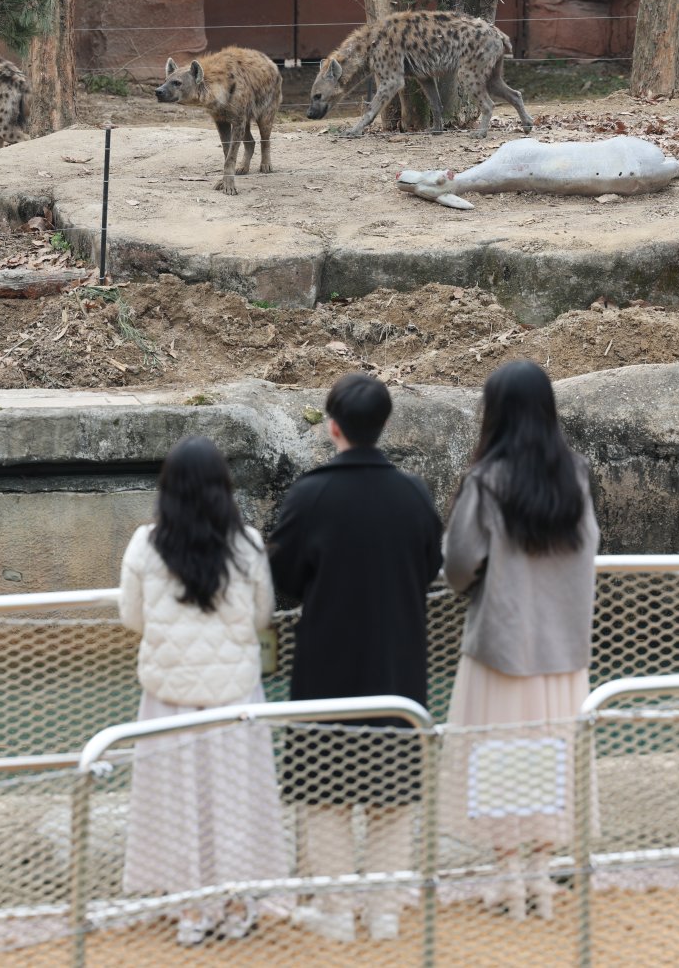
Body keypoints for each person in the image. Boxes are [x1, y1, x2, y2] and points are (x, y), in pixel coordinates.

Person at [269, 372, 443, 943]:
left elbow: (284, 577)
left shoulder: (310, 494)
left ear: (333, 426)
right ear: (384, 424)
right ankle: (387, 911)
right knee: (394, 795)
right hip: (398, 665)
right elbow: (430, 566)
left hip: (326, 667)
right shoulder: (413, 493)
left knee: (325, 794)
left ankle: (337, 910)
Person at [441, 360, 600, 921]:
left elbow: (458, 564)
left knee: (499, 759)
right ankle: (539, 876)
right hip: (563, 654)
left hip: (504, 649)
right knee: (551, 758)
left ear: (496, 413)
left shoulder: (487, 481)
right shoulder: (574, 475)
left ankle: (508, 880)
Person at [118, 436, 289, 947]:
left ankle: (191, 910)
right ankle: (238, 905)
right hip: (235, 694)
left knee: (176, 800)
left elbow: (131, 618)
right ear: (223, 489)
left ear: (166, 488)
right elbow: (262, 617)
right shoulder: (249, 545)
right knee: (234, 799)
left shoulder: (144, 545)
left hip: (167, 696)